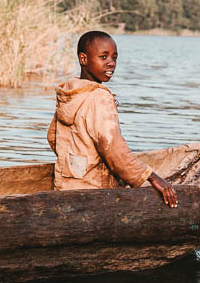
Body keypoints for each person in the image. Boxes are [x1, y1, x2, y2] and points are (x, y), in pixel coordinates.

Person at [47, 31, 178, 207]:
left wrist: (77, 164)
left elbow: (53, 137)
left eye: (114, 58)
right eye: (103, 57)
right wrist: (153, 178)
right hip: (93, 192)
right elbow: (114, 151)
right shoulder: (99, 97)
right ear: (83, 59)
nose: (111, 63)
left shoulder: (69, 93)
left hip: (65, 187)